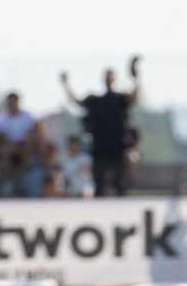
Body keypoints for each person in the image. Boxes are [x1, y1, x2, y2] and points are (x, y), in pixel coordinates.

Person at [60, 57, 140, 197]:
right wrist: (66, 85)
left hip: (118, 148)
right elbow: (77, 102)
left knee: (120, 185)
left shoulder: (119, 99)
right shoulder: (95, 100)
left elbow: (133, 97)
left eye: (110, 77)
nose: (108, 79)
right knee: (99, 185)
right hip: (99, 148)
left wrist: (136, 77)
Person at [0, 92, 38, 196]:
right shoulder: (3, 118)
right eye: (9, 102)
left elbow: (34, 131)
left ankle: (22, 179)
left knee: (27, 148)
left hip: (25, 145)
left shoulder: (27, 116)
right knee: (5, 151)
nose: (11, 104)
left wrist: (25, 142)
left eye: (13, 102)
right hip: (10, 146)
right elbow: (2, 136)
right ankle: (9, 183)